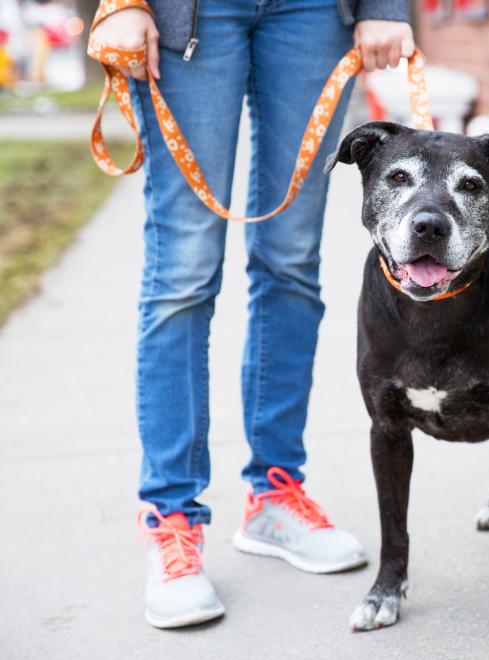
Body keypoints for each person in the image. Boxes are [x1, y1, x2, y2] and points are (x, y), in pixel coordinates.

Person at [90, 0, 414, 629]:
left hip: (314, 13)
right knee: (183, 273)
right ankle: (171, 518)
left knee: (291, 262)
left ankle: (275, 492)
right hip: (190, 13)